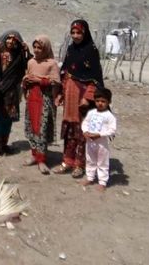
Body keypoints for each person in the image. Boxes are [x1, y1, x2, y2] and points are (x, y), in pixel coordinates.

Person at [54, 19, 104, 179]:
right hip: (69, 95)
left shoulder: (91, 51)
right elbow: (65, 72)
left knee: (82, 133)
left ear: (85, 33)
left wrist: (88, 97)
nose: (75, 36)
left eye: (79, 33)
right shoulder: (70, 49)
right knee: (69, 131)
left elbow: (95, 78)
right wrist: (61, 93)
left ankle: (79, 165)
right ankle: (66, 161)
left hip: (83, 98)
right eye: (73, 32)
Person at [22, 35, 60, 175]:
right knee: (32, 127)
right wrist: (26, 80)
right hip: (32, 98)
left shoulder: (51, 63)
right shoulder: (31, 62)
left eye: (40, 48)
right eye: (35, 47)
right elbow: (27, 77)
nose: (37, 50)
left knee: (42, 128)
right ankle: (34, 154)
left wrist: (39, 80)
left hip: (45, 100)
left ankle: (41, 159)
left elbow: (56, 81)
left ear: (46, 48)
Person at [0, 31, 31, 155]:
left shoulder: (19, 54)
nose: (10, 42)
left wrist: (27, 51)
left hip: (11, 93)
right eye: (8, 39)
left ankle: (4, 144)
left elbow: (28, 64)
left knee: (8, 119)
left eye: (14, 40)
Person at [81, 88, 116, 192]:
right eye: (97, 101)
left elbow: (112, 130)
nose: (100, 103)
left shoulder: (109, 116)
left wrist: (100, 135)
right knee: (90, 159)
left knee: (102, 162)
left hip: (102, 144)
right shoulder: (91, 113)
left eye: (103, 101)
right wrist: (85, 131)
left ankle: (102, 182)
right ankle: (90, 177)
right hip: (90, 142)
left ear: (108, 102)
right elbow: (85, 123)